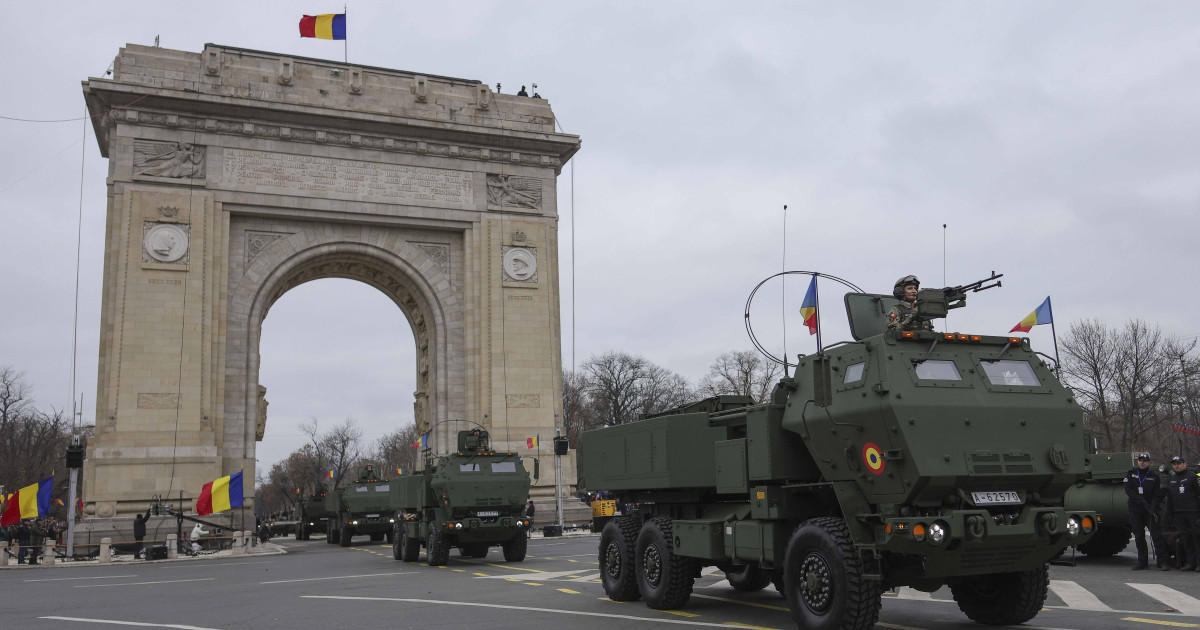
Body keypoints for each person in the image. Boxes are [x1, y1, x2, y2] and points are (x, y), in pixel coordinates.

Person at [1126, 452, 1167, 570]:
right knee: (1139, 536)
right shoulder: (1131, 474)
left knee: (1156, 536)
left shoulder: (1154, 476)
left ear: (1149, 462)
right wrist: (1139, 500)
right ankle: (1142, 562)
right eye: (1140, 460)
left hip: (1150, 510)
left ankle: (1162, 561)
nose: (1142, 462)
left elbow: (1157, 494)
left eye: (1145, 461)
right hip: (1136, 509)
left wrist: (1152, 508)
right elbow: (1128, 490)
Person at [1167, 456, 1200, 571]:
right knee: (1186, 539)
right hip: (1179, 513)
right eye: (1174, 464)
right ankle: (1190, 563)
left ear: (1184, 464)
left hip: (1193, 512)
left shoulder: (1193, 477)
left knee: (1197, 537)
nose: (1176, 466)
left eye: (1179, 463)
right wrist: (1169, 515)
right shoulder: (1172, 479)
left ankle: (1199, 563)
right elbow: (1170, 498)